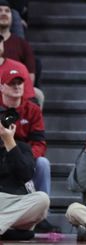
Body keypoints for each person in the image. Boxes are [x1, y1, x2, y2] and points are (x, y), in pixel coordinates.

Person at [0, 66, 51, 230]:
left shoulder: (32, 109)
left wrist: (23, 156)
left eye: (19, 83)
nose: (16, 87)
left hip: (23, 155)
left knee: (42, 197)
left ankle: (9, 223)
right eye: (12, 83)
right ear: (2, 87)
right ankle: (10, 224)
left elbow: (39, 142)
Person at [0, 118, 48, 240]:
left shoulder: (23, 147)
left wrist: (9, 141)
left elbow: (26, 174)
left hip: (18, 202)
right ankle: (7, 229)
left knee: (42, 199)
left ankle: (5, 226)